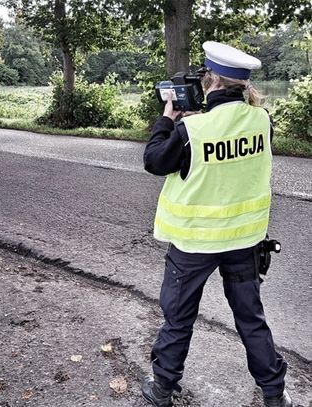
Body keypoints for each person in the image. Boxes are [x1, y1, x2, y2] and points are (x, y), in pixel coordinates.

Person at [141, 41, 292, 407]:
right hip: (244, 241)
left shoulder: (192, 131)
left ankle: (162, 388)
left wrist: (168, 120)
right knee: (250, 318)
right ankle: (274, 394)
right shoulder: (262, 121)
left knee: (179, 318)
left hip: (194, 245)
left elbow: (155, 161)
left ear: (211, 81)